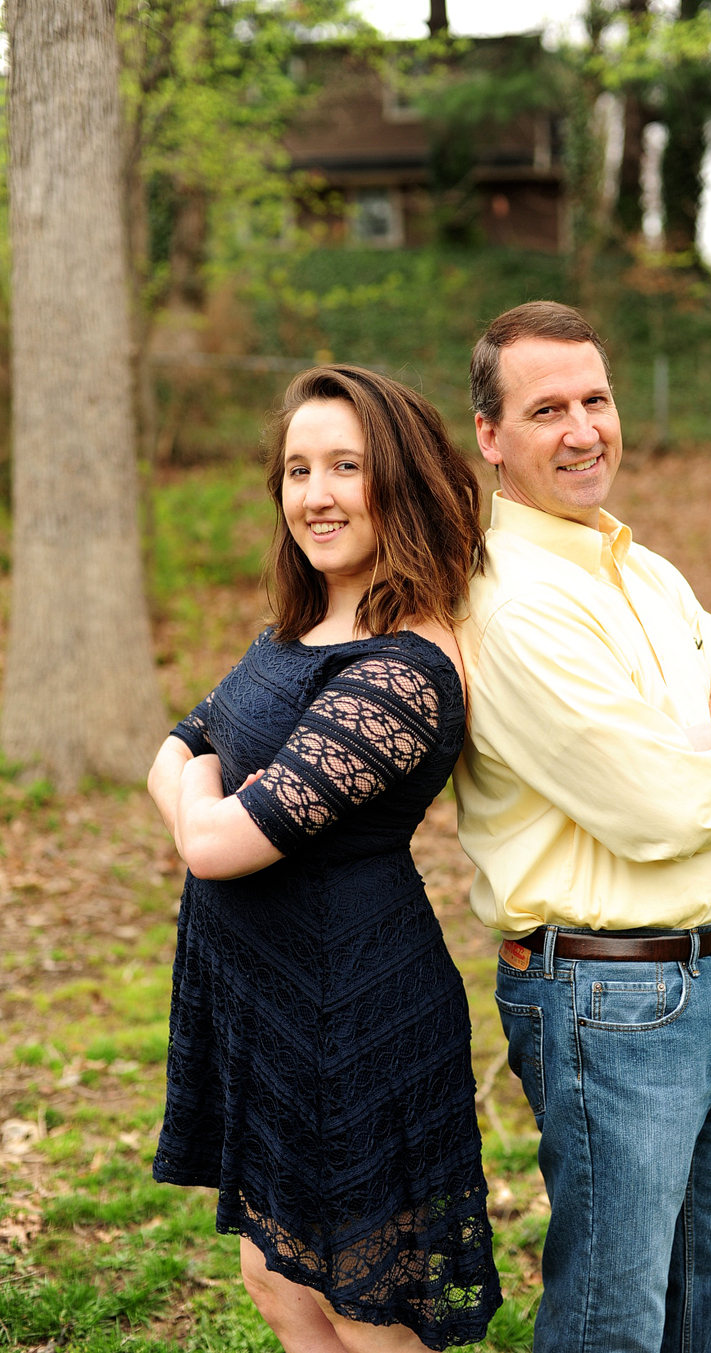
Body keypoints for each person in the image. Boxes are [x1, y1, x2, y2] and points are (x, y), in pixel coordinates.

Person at [452, 302, 711, 1353]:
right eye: (546, 408)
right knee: (614, 1316)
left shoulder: (639, 569)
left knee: (703, 1283)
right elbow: (658, 811)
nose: (582, 430)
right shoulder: (514, 601)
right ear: (490, 437)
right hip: (609, 1000)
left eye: (596, 400)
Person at [147, 365, 502, 1353]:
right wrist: (202, 781)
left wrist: (201, 790)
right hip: (267, 1003)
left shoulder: (401, 671)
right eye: (299, 468)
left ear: (402, 480)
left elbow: (212, 836)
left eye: (345, 466)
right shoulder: (302, 630)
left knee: (367, 1308)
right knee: (275, 1277)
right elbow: (169, 751)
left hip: (352, 1011)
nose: (315, 494)